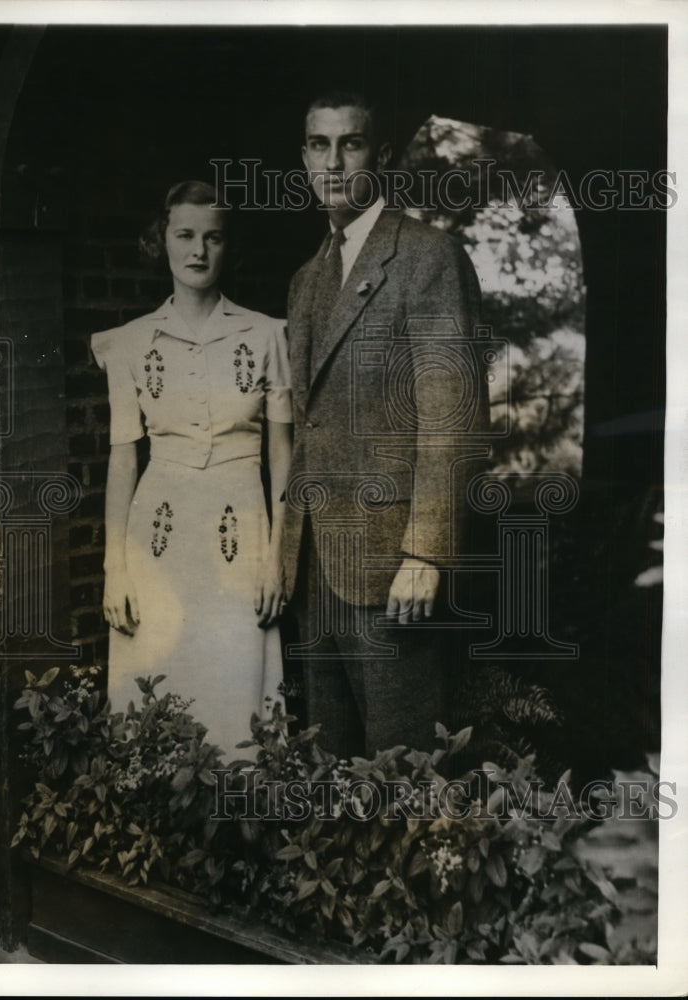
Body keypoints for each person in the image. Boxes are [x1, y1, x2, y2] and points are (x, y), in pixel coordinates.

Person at [283, 92, 489, 760]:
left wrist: (425, 553)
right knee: (332, 769)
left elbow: (452, 415)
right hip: (316, 564)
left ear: (383, 156)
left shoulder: (426, 257)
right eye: (319, 145)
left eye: (352, 143)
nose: (334, 162)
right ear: (305, 157)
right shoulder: (307, 279)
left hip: (390, 566)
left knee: (404, 774)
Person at [91, 180, 292, 759]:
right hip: (158, 532)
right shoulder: (129, 344)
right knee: (158, 684)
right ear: (163, 241)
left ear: (229, 247)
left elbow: (282, 455)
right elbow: (124, 456)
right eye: (185, 235)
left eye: (213, 237)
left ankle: (236, 833)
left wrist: (277, 555)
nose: (199, 250)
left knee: (237, 692)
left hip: (242, 531)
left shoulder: (266, 336)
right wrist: (115, 569)